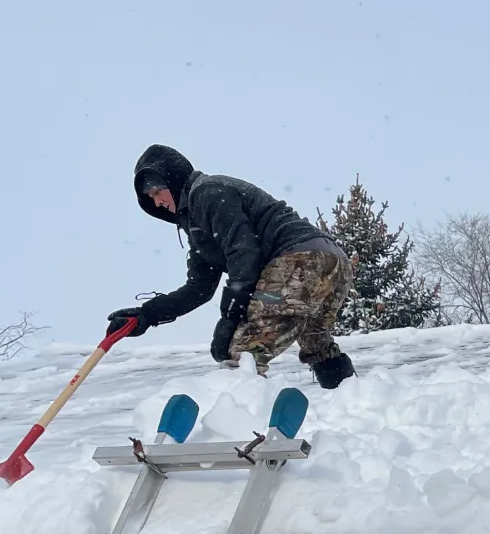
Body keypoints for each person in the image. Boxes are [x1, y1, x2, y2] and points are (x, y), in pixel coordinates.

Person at [108, 145, 357, 389]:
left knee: (243, 352)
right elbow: (199, 287)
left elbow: (243, 251)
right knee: (317, 344)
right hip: (333, 263)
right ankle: (352, 404)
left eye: (157, 191)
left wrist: (230, 316)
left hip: (300, 260)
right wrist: (146, 315)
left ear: (174, 178)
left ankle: (237, 425)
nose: (158, 201)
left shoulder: (208, 194)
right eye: (149, 197)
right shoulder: (198, 228)